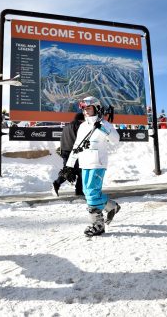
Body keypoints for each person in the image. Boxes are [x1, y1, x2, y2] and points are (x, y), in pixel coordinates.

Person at [63, 96, 121, 237]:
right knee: (88, 191)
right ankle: (112, 206)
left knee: (91, 193)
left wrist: (102, 128)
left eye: (88, 108)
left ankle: (98, 224)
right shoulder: (83, 126)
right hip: (84, 163)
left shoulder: (104, 124)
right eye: (84, 108)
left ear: (96, 108)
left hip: (98, 163)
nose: (86, 111)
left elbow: (116, 140)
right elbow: (77, 146)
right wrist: (69, 166)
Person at [52, 113, 84, 196]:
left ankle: (57, 183)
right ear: (82, 119)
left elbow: (62, 139)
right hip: (75, 151)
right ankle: (79, 191)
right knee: (81, 171)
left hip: (65, 151)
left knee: (68, 171)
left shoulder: (66, 126)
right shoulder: (80, 126)